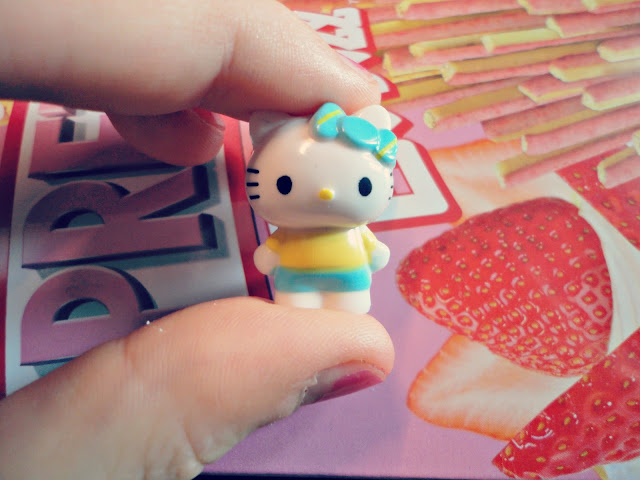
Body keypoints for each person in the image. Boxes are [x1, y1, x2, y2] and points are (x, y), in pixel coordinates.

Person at [0, 1, 395, 479]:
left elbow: (367, 248)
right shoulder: (294, 224)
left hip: (345, 274)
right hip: (296, 277)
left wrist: (370, 251)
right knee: (305, 313)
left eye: (362, 186)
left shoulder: (344, 229)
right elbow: (280, 249)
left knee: (345, 308)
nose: (327, 194)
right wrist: (272, 254)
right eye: (286, 183)